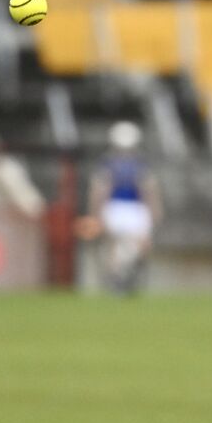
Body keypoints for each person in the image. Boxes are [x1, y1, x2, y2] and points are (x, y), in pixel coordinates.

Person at [75, 120, 162, 294]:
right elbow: (149, 191)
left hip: (119, 208)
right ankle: (122, 278)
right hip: (129, 209)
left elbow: (99, 191)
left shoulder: (110, 163)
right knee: (132, 245)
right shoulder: (137, 164)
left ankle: (121, 277)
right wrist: (155, 211)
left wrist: (95, 213)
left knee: (118, 247)